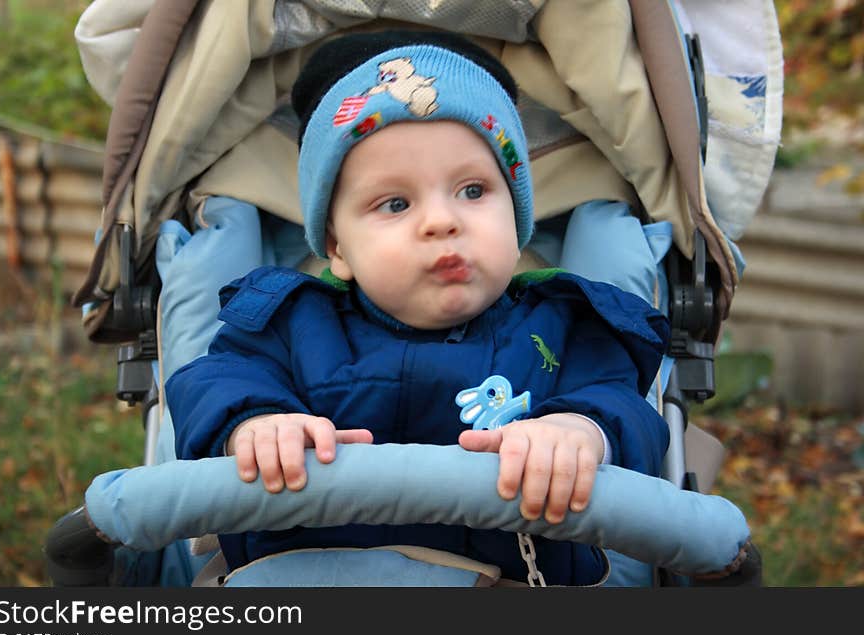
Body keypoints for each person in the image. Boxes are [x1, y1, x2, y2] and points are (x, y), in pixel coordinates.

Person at [166, 30, 671, 586]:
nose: (442, 221)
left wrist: (581, 430)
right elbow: (211, 382)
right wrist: (255, 424)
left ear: (517, 216)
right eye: (396, 203)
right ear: (337, 249)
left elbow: (627, 410)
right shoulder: (289, 327)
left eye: (474, 191)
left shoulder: (564, 329)